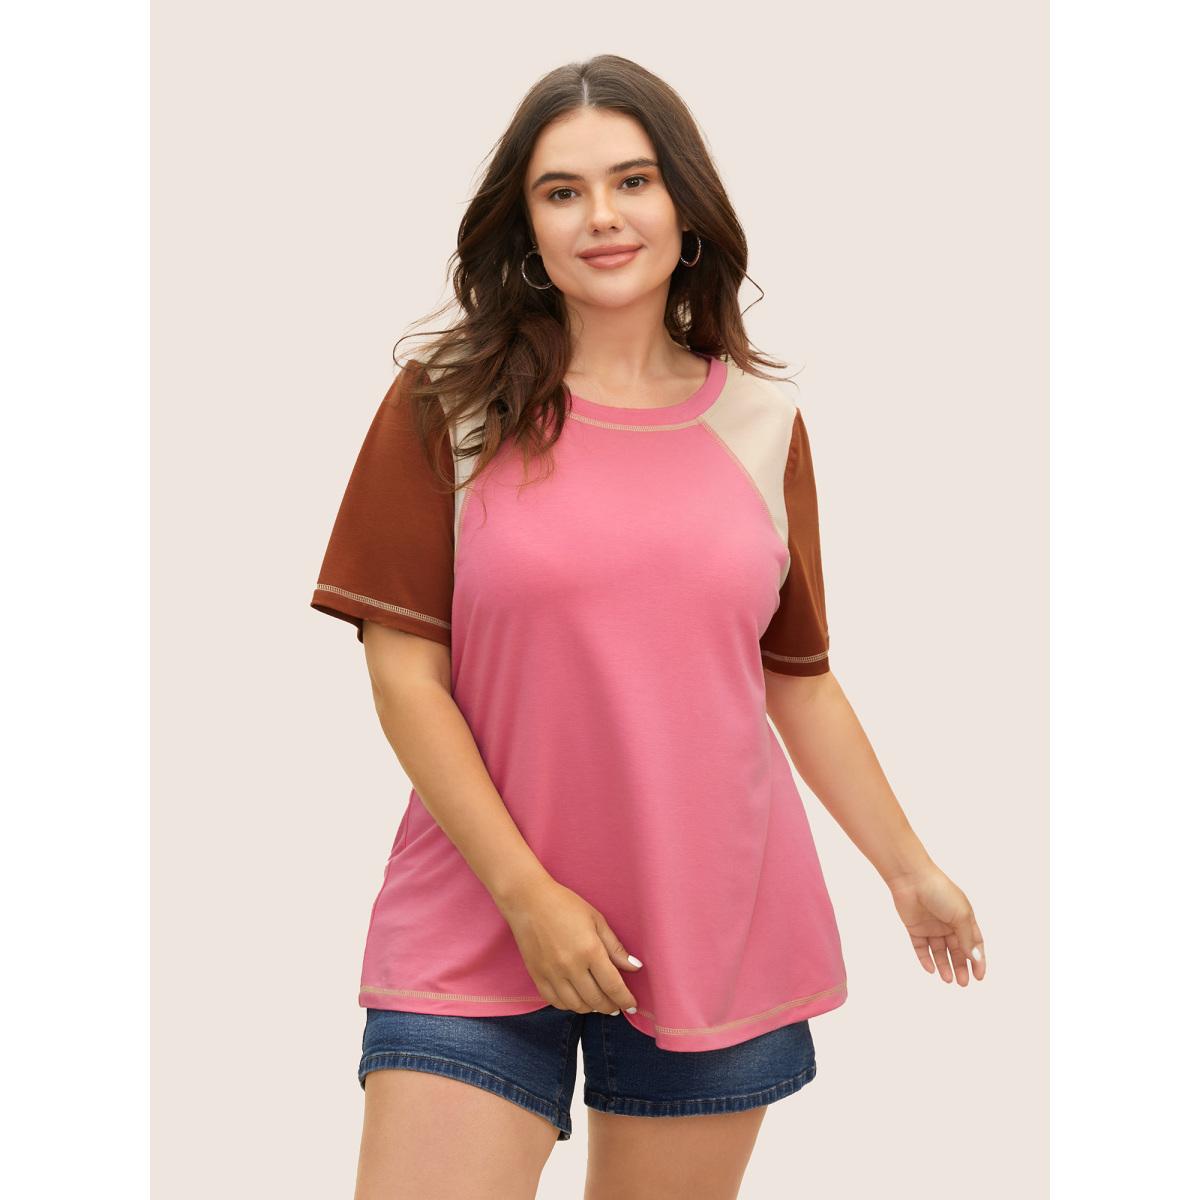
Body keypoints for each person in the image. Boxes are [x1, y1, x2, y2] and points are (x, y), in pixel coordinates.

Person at [310, 54, 987, 1200]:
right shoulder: (447, 405)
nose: (603, 216)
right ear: (527, 227)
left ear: (685, 206)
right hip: (475, 917)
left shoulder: (765, 423)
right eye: (562, 191)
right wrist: (528, 895)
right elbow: (404, 678)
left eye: (632, 181)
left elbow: (796, 680)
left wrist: (908, 870)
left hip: (712, 924)